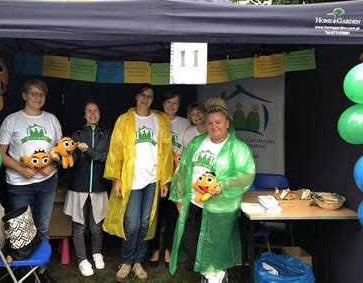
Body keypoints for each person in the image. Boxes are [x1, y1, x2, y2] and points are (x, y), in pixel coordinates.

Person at [169, 98, 256, 283]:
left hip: (219, 206)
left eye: (218, 122)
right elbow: (183, 168)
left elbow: (246, 175)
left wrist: (222, 184)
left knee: (216, 243)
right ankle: (213, 273)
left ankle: (212, 274)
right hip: (193, 201)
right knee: (188, 239)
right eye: (210, 123)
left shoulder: (238, 148)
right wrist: (179, 197)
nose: (214, 126)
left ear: (227, 123)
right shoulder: (196, 142)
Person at [103, 83, 173, 282]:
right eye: (142, 95)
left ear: (153, 99)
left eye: (149, 96)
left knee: (145, 223)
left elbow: (166, 152)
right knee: (132, 224)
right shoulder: (125, 120)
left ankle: (138, 262)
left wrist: (165, 180)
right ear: (136, 97)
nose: (145, 98)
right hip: (130, 180)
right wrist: (116, 178)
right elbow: (116, 150)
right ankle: (126, 261)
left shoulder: (159, 120)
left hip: (152, 180)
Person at [0, 79, 62, 281]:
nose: (38, 98)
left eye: (41, 95)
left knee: (42, 226)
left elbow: (61, 150)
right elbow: (0, 153)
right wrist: (20, 169)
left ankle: (39, 268)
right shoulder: (12, 120)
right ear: (24, 95)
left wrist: (53, 164)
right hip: (19, 184)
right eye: (33, 94)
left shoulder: (52, 119)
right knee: (23, 228)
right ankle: (25, 268)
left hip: (47, 181)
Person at [64, 101, 111, 277]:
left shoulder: (106, 133)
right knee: (79, 226)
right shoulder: (76, 134)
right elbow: (73, 160)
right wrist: (67, 154)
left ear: (100, 114)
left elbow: (105, 156)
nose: (92, 114)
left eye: (95, 111)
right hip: (79, 185)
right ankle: (82, 259)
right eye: (88, 111)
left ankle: (97, 253)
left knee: (97, 226)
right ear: (84, 115)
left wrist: (88, 150)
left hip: (99, 186)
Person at [148, 89, 190, 268]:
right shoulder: (154, 119)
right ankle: (154, 249)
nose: (172, 106)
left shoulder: (185, 123)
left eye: (175, 103)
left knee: (173, 215)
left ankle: (168, 250)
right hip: (156, 175)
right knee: (154, 215)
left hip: (177, 176)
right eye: (168, 102)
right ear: (162, 104)